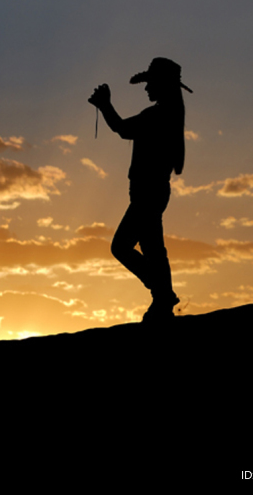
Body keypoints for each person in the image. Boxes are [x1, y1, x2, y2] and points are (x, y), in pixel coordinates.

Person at [88, 57, 192, 322]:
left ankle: (162, 293)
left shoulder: (158, 116)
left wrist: (105, 105)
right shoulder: (168, 115)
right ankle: (162, 298)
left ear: (161, 85)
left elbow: (122, 129)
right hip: (153, 192)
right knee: (153, 249)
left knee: (121, 247)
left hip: (148, 193)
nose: (146, 89)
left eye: (150, 84)